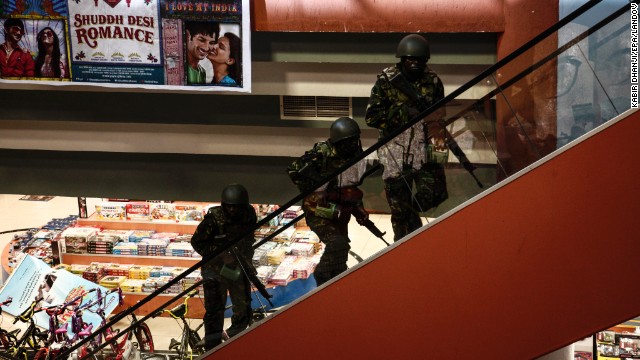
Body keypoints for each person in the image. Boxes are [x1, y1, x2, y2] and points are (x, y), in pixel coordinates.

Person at [364, 33, 448, 242]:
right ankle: (403, 247)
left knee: (434, 193)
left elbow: (439, 115)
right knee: (399, 210)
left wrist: (440, 147)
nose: (415, 63)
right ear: (402, 58)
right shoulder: (386, 81)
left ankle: (412, 226)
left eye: (419, 60)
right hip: (395, 152)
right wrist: (403, 113)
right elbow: (372, 118)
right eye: (410, 59)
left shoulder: (433, 81)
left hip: (423, 151)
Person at [287, 117, 370, 286]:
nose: (352, 145)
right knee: (337, 243)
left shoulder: (357, 157)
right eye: (347, 143)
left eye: (355, 141)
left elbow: (352, 189)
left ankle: (337, 284)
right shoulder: (322, 152)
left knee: (341, 251)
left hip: (340, 210)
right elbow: (294, 170)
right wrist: (319, 187)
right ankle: (322, 277)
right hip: (318, 209)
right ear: (338, 143)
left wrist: (359, 209)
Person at [190, 183, 256, 350]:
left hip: (238, 265)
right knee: (214, 311)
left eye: (236, 207)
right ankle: (212, 348)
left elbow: (249, 240)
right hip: (214, 270)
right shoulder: (213, 219)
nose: (232, 211)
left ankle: (234, 339)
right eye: (229, 207)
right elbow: (197, 243)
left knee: (243, 307)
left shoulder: (248, 215)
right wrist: (221, 253)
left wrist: (247, 261)